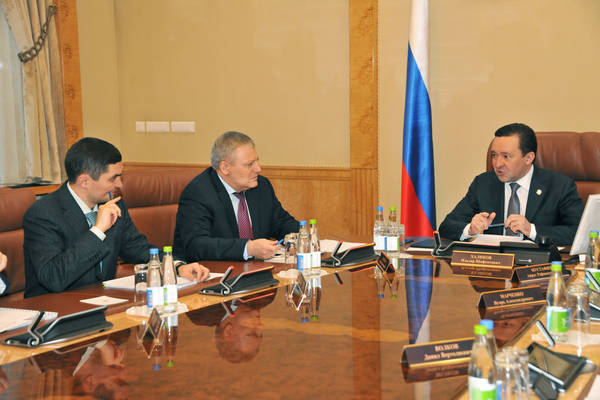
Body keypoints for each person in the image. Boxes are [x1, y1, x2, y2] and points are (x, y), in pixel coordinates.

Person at [23, 138, 209, 298]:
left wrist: (176, 266)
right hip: (55, 311)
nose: (120, 184)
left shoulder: (115, 204)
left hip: (102, 304)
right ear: (85, 181)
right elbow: (54, 278)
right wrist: (98, 231)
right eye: (113, 178)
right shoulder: (43, 214)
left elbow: (138, 249)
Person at [438, 123, 583, 245]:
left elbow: (580, 233)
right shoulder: (483, 184)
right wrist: (470, 229)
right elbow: (447, 226)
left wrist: (532, 230)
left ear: (529, 158)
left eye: (506, 156)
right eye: (494, 155)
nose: (497, 164)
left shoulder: (559, 186)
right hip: (493, 265)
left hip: (538, 266)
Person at [174, 131, 299, 261]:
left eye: (257, 161)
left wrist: (300, 236)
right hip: (212, 270)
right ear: (225, 167)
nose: (258, 169)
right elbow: (197, 245)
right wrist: (247, 249)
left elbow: (281, 222)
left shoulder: (261, 186)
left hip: (257, 268)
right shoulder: (198, 193)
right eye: (249, 164)